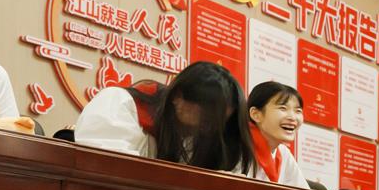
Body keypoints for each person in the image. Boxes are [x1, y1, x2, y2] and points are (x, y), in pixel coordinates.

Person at [74, 59, 254, 173]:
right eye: (208, 118)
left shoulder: (206, 139)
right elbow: (105, 170)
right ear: (178, 97)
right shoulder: (119, 104)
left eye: (221, 122)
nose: (211, 128)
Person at [244, 81, 309, 187]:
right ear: (256, 114)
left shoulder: (284, 153)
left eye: (298, 111)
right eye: (283, 108)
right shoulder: (238, 146)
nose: (292, 117)